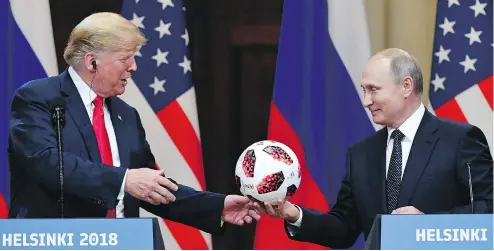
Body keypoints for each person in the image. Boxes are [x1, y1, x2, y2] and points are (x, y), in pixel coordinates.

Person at [7, 12, 259, 233]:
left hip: (123, 242)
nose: (134, 67)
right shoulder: (39, 98)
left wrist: (216, 207)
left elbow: (150, 187)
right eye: (125, 58)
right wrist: (124, 180)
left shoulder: (126, 115)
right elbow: (47, 164)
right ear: (92, 61)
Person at [254, 48, 493, 249]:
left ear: (406, 85)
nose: (366, 101)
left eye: (373, 89)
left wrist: (428, 225)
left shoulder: (460, 139)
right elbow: (343, 228)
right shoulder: (361, 154)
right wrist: (294, 214)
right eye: (364, 90)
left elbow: (487, 209)